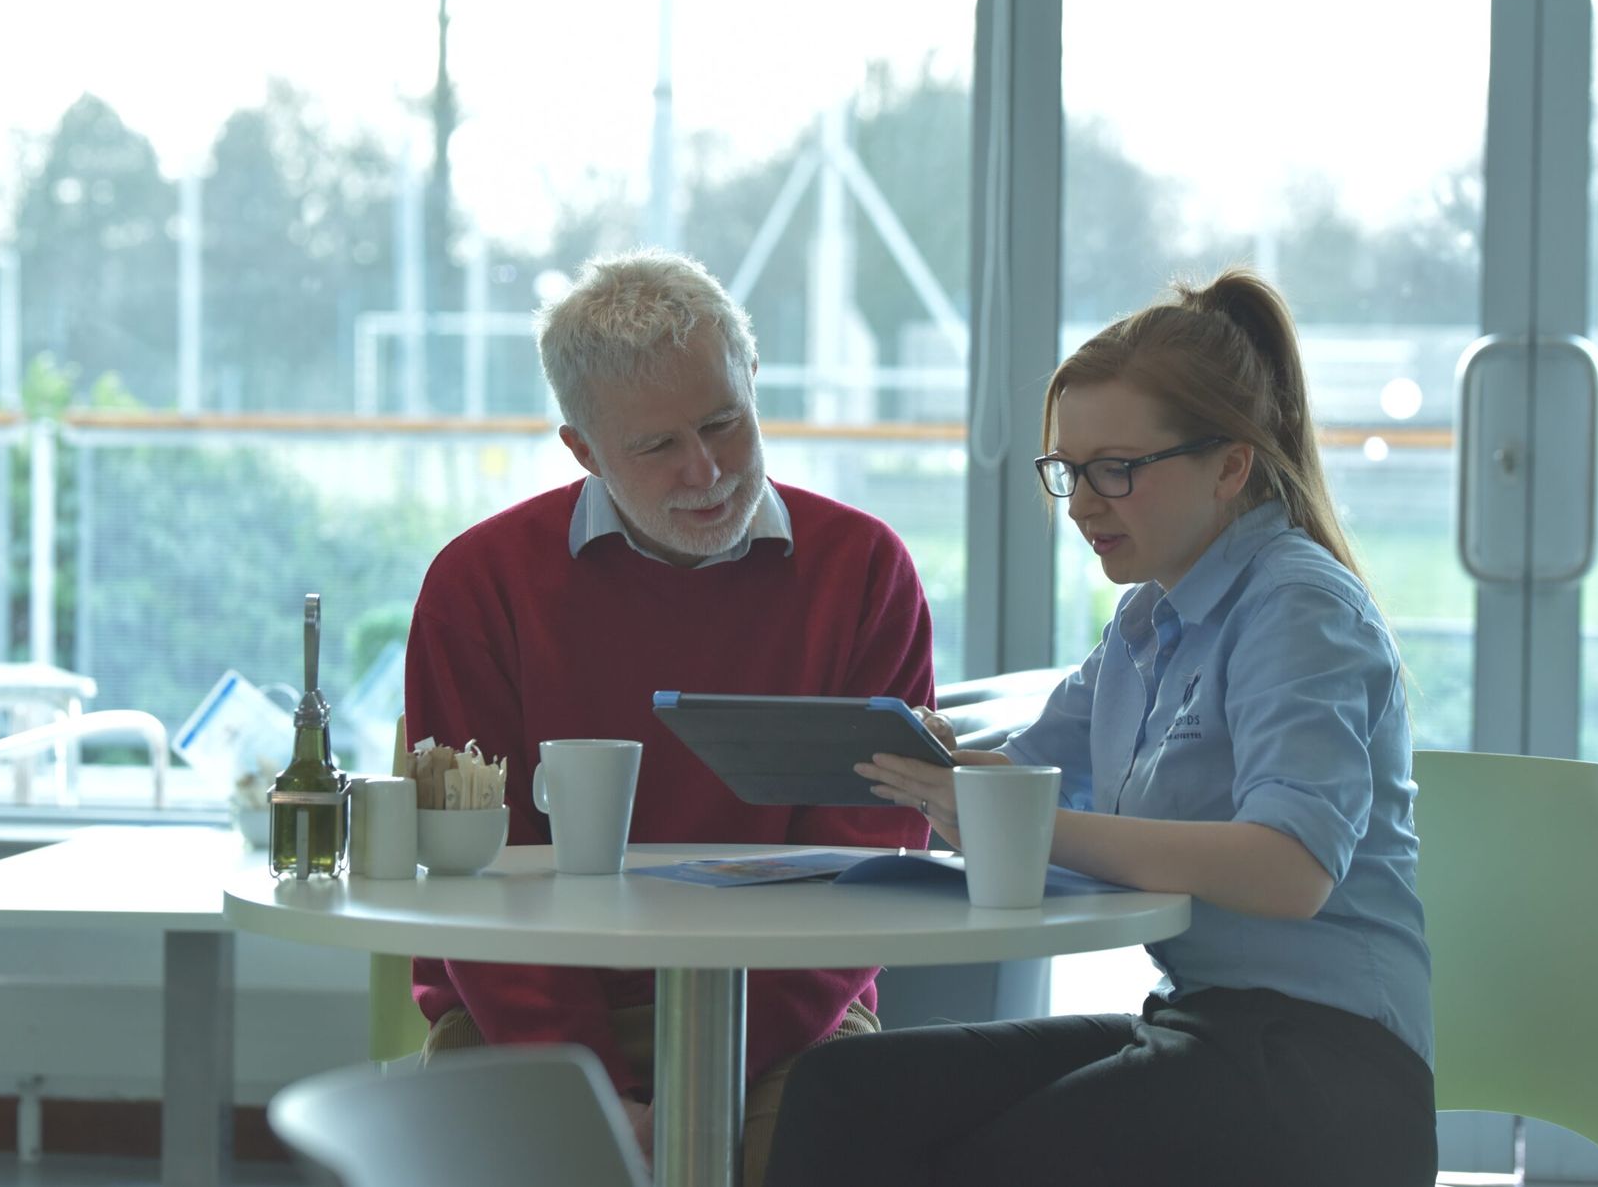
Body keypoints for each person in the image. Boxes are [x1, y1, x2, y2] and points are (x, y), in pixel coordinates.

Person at [763, 268, 1435, 1187]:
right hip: (1202, 1025)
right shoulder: (1143, 625)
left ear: (1231, 464)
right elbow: (1023, 777)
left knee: (988, 1165)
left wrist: (1015, 814)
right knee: (844, 1091)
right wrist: (933, 765)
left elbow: (1291, 868)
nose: (1081, 503)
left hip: (1328, 1071)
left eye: (1116, 470)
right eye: (1068, 471)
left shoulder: (1299, 607)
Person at [403, 247, 933, 1183]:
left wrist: (707, 1076)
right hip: (527, 1010)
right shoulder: (479, 587)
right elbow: (472, 873)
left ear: (755, 382)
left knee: (817, 1136)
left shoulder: (864, 571)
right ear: (583, 450)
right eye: (656, 447)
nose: (708, 470)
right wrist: (597, 1087)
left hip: (789, 1016)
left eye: (726, 422)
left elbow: (872, 863)